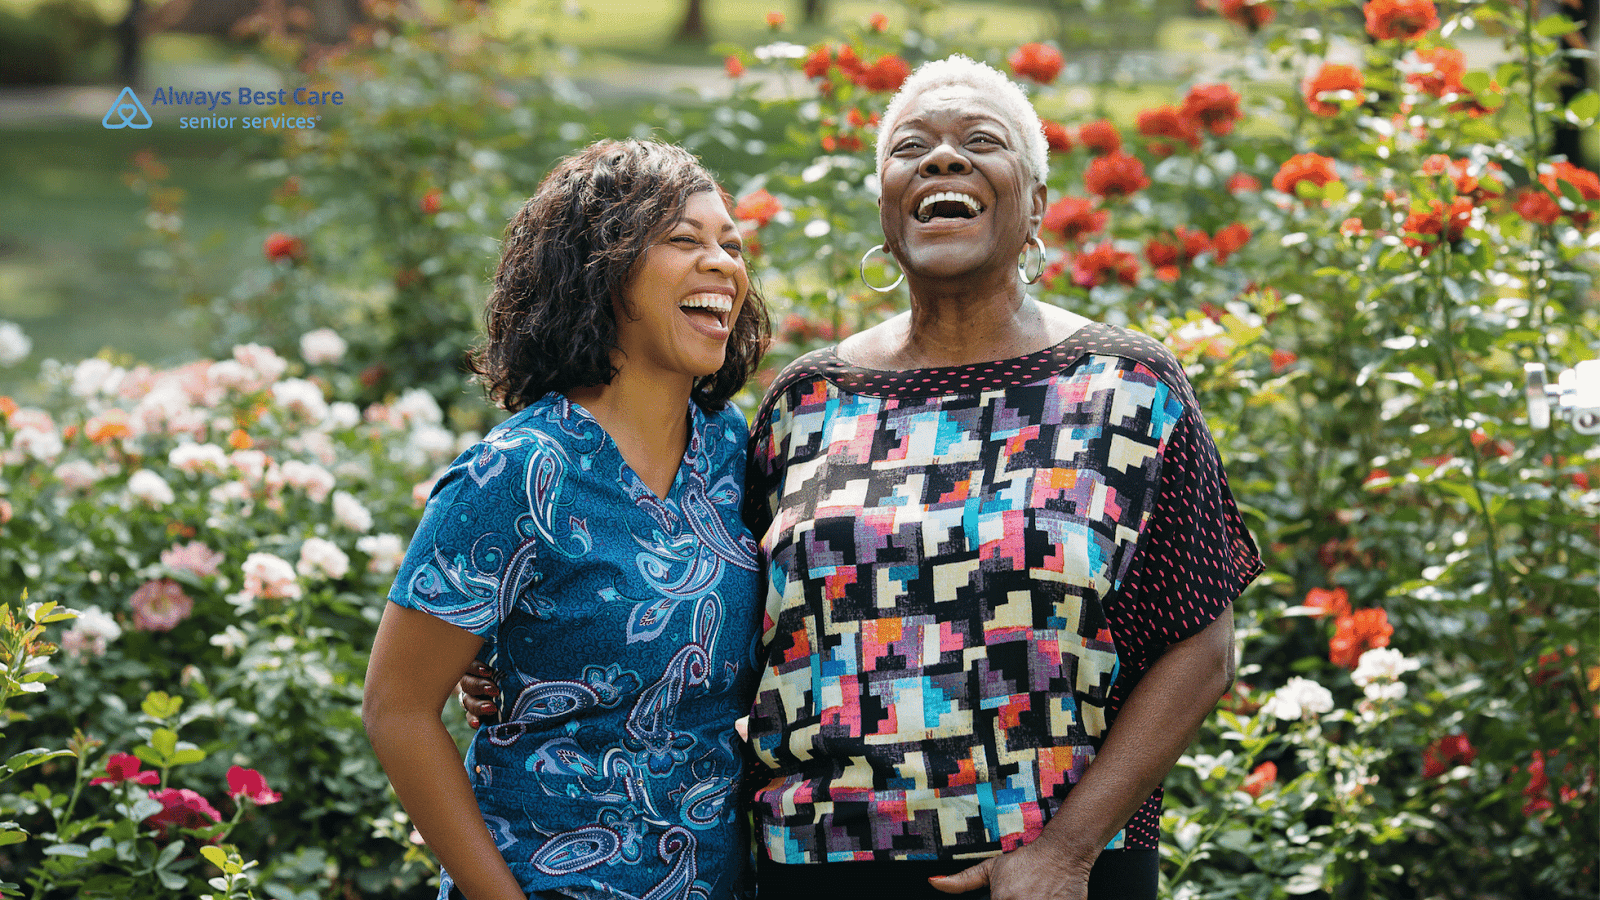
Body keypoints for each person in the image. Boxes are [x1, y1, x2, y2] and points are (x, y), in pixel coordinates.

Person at [463, 56, 1261, 900]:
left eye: (980, 142)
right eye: (911, 147)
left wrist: (1067, 850)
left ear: (1035, 207)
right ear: (885, 207)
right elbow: (699, 577)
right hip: (816, 869)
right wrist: (524, 642)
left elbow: (1202, 646)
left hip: (1050, 872)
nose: (942, 160)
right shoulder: (808, 400)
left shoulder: (1128, 387)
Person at [364, 139, 771, 900]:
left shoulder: (731, 447)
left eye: (732, 245)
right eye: (685, 240)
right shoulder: (513, 474)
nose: (724, 264)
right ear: (599, 270)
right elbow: (396, 709)